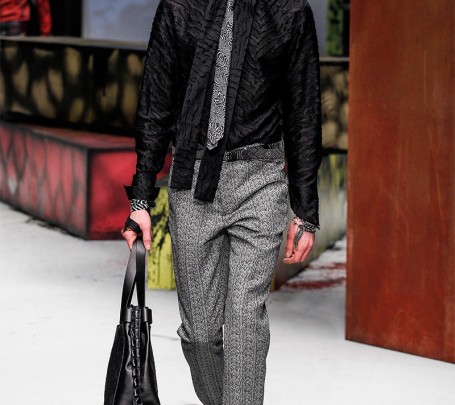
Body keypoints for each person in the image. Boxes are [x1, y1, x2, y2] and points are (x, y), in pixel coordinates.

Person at [121, 0, 322, 403]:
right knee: (199, 334)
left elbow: (304, 110)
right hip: (192, 180)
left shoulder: (289, 9)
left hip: (261, 178)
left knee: (246, 317)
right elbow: (156, 103)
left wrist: (305, 211)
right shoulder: (179, 6)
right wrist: (140, 199)